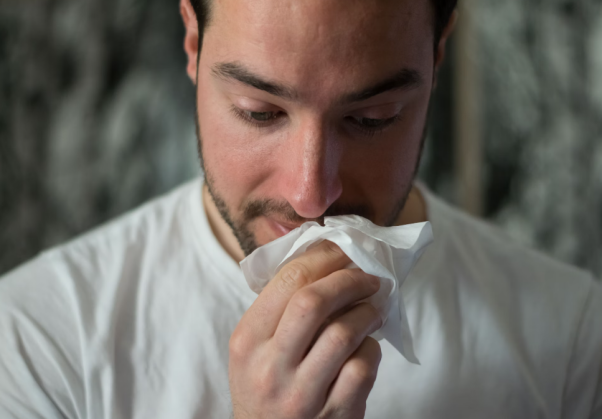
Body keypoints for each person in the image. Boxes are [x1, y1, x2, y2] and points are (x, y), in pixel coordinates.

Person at [1, 0, 601, 417]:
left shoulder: (573, 341)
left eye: (372, 119)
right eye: (260, 112)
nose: (310, 194)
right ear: (192, 41)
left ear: (437, 56)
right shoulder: (37, 341)